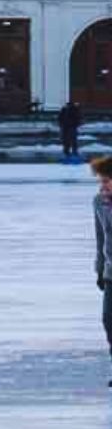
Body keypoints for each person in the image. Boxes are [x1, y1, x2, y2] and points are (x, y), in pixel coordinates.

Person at [92, 155, 112, 386]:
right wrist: (99, 269)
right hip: (110, 272)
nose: (102, 186)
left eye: (106, 181)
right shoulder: (98, 202)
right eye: (100, 181)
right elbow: (100, 237)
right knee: (109, 321)